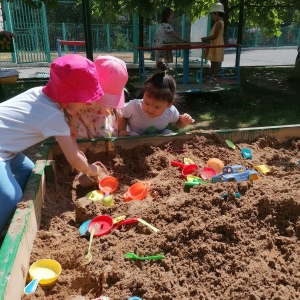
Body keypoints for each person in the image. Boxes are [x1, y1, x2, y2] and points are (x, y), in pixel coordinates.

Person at [0, 54, 107, 235]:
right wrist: (92, 171)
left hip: (8, 148)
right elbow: (73, 158)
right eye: (84, 98)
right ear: (70, 96)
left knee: (28, 174)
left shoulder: (41, 94)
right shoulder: (53, 116)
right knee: (12, 197)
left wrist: (71, 124)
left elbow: (68, 128)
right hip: (2, 150)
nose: (87, 103)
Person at [69, 55, 128, 139]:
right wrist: (72, 122)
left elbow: (117, 109)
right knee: (79, 137)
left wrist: (118, 114)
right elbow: (72, 109)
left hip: (102, 115)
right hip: (82, 116)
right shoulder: (82, 86)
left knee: (106, 136)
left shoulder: (113, 86)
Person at [118, 72, 194, 136]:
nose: (150, 109)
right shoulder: (134, 106)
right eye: (147, 103)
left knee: (168, 133)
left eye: (157, 107)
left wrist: (184, 122)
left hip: (157, 140)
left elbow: (177, 123)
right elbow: (123, 116)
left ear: (169, 104)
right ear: (144, 95)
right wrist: (122, 131)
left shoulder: (170, 111)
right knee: (133, 135)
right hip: (135, 138)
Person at [201, 2, 225, 83]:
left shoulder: (219, 23)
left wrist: (206, 38)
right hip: (215, 43)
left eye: (212, 15)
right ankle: (209, 76)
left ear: (217, 13)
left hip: (216, 44)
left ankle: (214, 77)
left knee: (215, 62)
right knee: (213, 62)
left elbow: (215, 36)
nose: (212, 17)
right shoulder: (220, 22)